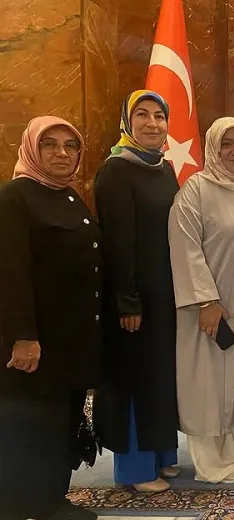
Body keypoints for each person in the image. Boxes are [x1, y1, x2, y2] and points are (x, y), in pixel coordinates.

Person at [0, 117, 102, 520]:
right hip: (35, 342)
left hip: (70, 340)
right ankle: (20, 505)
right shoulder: (15, 198)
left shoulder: (69, 196)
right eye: (50, 145)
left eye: (70, 146)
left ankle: (52, 500)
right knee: (30, 425)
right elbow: (10, 273)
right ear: (31, 149)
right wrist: (22, 336)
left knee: (61, 422)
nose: (62, 153)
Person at [169, 117, 234, 484]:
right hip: (216, 308)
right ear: (213, 149)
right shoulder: (195, 191)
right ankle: (213, 461)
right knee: (211, 385)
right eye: (226, 144)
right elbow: (185, 248)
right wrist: (205, 301)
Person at [92, 90, 180, 493]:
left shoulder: (164, 168)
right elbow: (118, 243)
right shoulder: (115, 171)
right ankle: (135, 469)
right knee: (134, 379)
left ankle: (161, 454)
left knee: (159, 376)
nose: (152, 123)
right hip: (134, 298)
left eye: (159, 116)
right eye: (142, 115)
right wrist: (127, 301)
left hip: (165, 294)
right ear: (127, 122)